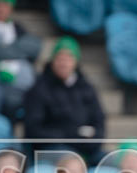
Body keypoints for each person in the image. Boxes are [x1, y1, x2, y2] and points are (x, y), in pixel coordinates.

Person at [24, 37, 105, 165]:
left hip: (85, 149)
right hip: (52, 149)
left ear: (75, 62)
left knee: (112, 161)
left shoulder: (86, 88)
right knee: (71, 163)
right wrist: (69, 136)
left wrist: (91, 141)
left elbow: (99, 121)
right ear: (53, 60)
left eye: (69, 58)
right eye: (60, 58)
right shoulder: (39, 88)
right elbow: (33, 130)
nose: (64, 63)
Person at [0, 0, 41, 120]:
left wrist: (4, 50)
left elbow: (35, 47)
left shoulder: (16, 27)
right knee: (1, 97)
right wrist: (18, 51)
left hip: (18, 79)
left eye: (4, 5)